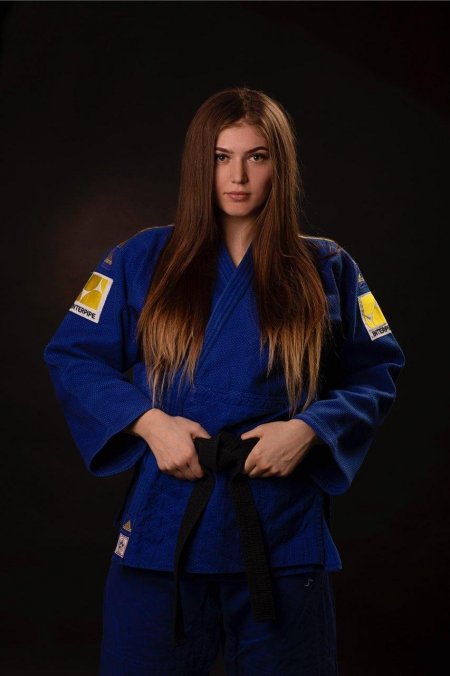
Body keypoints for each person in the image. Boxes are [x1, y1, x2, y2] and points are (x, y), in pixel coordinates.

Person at [44, 86, 406, 675]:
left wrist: (311, 429)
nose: (238, 177)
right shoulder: (140, 258)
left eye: (256, 157)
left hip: (280, 524)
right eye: (221, 157)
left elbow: (376, 373)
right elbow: (73, 357)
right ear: (199, 164)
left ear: (279, 166)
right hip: (167, 520)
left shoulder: (327, 266)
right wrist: (149, 423)